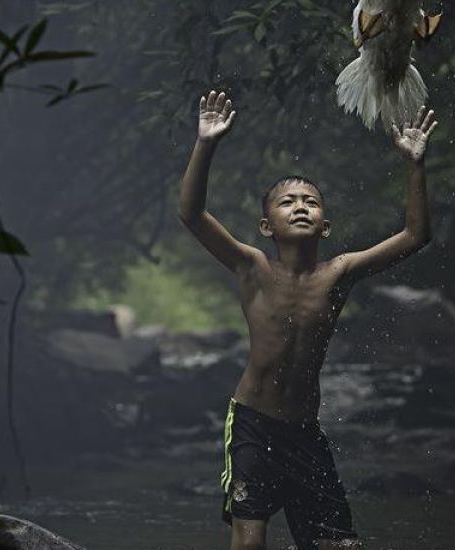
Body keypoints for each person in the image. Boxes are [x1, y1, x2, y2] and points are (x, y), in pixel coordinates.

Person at [178, 89, 438, 550]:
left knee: (337, 544)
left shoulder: (338, 274)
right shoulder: (252, 267)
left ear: (325, 225)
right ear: (266, 227)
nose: (300, 206)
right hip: (253, 424)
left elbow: (415, 235)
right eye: (287, 202)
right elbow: (192, 214)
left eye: (311, 202)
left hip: (303, 430)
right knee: (250, 539)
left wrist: (415, 165)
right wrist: (206, 143)